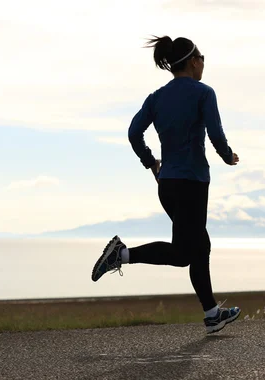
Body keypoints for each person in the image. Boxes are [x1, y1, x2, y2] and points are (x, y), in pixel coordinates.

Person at [91, 35, 241, 334]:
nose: (203, 65)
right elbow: (216, 132)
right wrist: (227, 156)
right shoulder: (203, 93)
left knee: (195, 248)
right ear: (193, 61)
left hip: (167, 183)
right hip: (192, 183)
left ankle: (212, 314)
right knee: (190, 250)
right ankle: (121, 255)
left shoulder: (156, 97)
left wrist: (151, 162)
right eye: (202, 59)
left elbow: (134, 132)